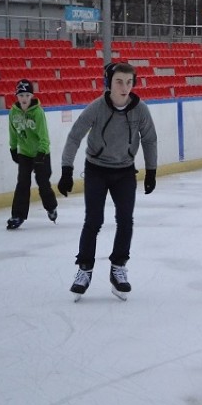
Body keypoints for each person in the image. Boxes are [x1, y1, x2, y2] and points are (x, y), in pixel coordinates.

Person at [57, 62, 158, 301]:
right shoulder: (97, 108)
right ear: (109, 83)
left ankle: (118, 268)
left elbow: (150, 139)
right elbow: (74, 137)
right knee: (93, 220)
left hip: (124, 171)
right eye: (119, 82)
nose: (124, 87)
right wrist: (66, 169)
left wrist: (151, 170)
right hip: (97, 170)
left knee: (125, 220)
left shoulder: (140, 109)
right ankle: (84, 269)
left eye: (129, 82)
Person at [7, 79, 58, 230]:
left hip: (41, 153)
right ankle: (18, 215)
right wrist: (13, 148)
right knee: (22, 182)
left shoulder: (38, 113)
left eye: (27, 95)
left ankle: (51, 207)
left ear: (32, 96)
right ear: (17, 96)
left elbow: (44, 136)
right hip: (25, 153)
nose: (24, 98)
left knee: (43, 183)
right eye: (21, 95)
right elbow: (13, 132)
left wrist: (41, 153)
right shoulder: (13, 112)